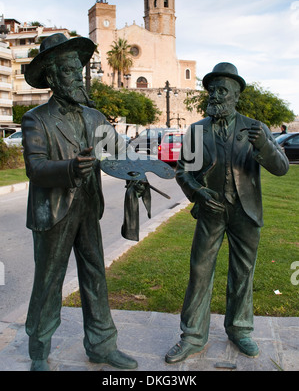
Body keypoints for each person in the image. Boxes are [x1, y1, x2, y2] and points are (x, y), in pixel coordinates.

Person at [22, 33, 142, 371]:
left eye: (79, 70)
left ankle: (102, 345)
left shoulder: (95, 117)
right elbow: (36, 167)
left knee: (95, 276)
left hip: (88, 208)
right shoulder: (36, 119)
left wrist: (141, 173)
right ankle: (39, 350)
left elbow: (120, 154)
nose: (78, 76)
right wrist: (72, 168)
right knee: (49, 281)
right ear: (52, 76)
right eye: (70, 71)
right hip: (54, 212)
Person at [165, 62, 289, 364]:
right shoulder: (197, 131)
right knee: (200, 271)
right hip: (211, 211)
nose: (216, 95)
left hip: (246, 212)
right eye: (212, 90)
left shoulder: (254, 128)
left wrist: (265, 147)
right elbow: (183, 173)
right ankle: (193, 335)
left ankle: (240, 330)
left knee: (243, 272)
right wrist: (198, 193)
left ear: (236, 96)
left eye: (223, 90)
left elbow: (281, 167)